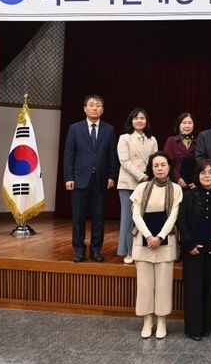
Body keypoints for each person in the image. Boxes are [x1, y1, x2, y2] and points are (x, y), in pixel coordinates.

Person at [131, 151, 183, 339]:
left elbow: (173, 216)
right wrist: (148, 235)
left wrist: (159, 237)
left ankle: (161, 322)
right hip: (143, 242)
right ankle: (147, 321)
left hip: (165, 242)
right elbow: (136, 214)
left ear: (169, 167)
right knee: (144, 286)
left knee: (163, 285)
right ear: (151, 168)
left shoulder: (176, 189)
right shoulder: (142, 188)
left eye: (163, 165)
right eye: (156, 165)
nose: (160, 168)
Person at [178, 159, 211, 340]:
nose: (207, 176)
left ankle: (205, 326)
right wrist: (189, 245)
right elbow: (182, 221)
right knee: (193, 289)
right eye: (203, 172)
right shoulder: (189, 195)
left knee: (208, 288)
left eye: (210, 172)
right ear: (197, 175)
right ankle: (193, 329)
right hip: (192, 251)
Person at [63, 94, 118, 263]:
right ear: (85, 108)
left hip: (101, 180)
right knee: (78, 217)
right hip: (79, 179)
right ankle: (79, 250)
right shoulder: (75, 128)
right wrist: (69, 177)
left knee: (99, 218)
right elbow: (69, 154)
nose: (95, 108)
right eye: (92, 105)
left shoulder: (109, 130)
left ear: (102, 110)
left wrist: (112, 175)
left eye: (98, 105)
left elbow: (112, 155)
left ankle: (95, 250)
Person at [117, 107, 158, 264]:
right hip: (128, 183)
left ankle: (143, 250)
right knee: (128, 218)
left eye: (142, 118)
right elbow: (124, 161)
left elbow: (155, 160)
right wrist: (141, 176)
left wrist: (150, 177)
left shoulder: (152, 140)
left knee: (144, 218)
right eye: (136, 118)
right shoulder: (124, 138)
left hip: (147, 183)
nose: (139, 121)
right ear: (131, 121)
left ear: (146, 121)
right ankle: (129, 251)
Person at [163, 112, 197, 191]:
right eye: (184, 123)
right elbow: (167, 163)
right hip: (175, 183)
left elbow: (201, 162)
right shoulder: (171, 141)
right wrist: (178, 179)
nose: (187, 126)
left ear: (193, 125)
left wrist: (197, 180)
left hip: (194, 185)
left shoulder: (198, 142)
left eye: (190, 123)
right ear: (179, 125)